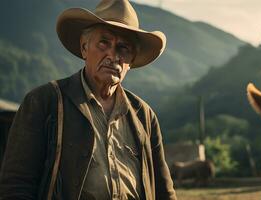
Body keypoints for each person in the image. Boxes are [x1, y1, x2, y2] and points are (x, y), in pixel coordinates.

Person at [0, 0, 177, 199]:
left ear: (131, 61)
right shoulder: (44, 102)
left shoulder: (144, 116)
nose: (113, 55)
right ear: (84, 48)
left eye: (123, 48)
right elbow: (16, 186)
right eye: (104, 43)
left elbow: (164, 191)